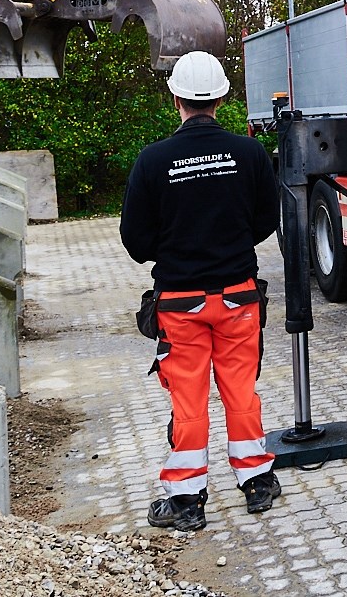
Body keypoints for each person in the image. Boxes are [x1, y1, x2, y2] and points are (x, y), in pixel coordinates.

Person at [120, 50, 282, 531]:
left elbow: (135, 241)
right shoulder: (250, 154)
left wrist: (176, 252)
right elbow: (264, 221)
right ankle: (257, 483)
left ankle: (187, 501)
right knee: (240, 391)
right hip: (239, 299)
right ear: (221, 97)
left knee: (188, 401)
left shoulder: (152, 160)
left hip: (180, 304)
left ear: (176, 99)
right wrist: (227, 246)